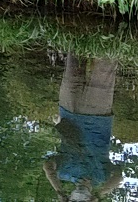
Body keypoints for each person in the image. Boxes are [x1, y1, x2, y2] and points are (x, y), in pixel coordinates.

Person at [44, 55, 124, 202]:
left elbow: (48, 166)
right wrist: (99, 196)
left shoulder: (64, 172)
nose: (79, 198)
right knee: (105, 65)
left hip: (69, 111)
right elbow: (118, 175)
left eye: (74, 201)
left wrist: (60, 192)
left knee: (73, 60)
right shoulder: (102, 175)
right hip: (97, 115)